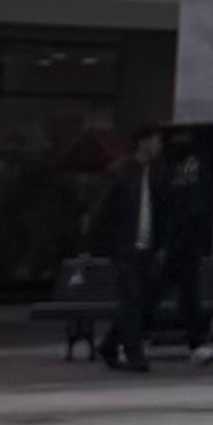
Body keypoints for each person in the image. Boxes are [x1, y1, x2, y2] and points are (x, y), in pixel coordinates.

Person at [83, 132, 156, 369]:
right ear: (144, 142)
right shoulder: (121, 172)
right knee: (131, 298)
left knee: (141, 300)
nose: (158, 146)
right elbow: (103, 209)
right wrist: (100, 243)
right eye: (155, 140)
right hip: (125, 247)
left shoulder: (156, 172)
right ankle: (134, 353)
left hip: (147, 246)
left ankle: (110, 344)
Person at [151, 125, 213, 358]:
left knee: (169, 295)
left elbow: (166, 209)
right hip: (181, 245)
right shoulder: (187, 172)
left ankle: (196, 342)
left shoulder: (167, 172)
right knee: (181, 296)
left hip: (177, 245)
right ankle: (196, 342)